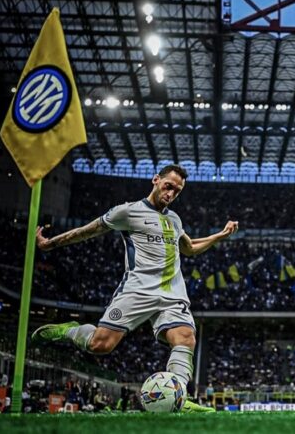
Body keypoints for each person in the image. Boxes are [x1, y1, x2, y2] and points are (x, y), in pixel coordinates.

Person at [31, 165, 238, 413]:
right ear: (156, 180)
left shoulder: (174, 219)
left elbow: (190, 248)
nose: (171, 194)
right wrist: (50, 244)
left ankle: (179, 398)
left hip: (172, 295)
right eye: (168, 186)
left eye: (177, 191)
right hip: (137, 290)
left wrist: (220, 236)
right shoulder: (128, 211)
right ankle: (70, 330)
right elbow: (87, 231)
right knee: (100, 345)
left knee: (185, 337)